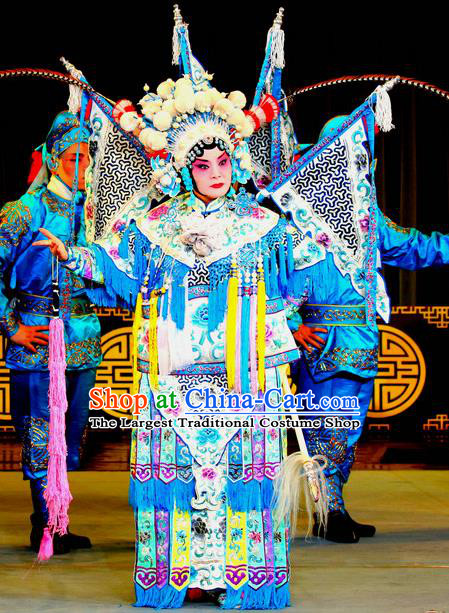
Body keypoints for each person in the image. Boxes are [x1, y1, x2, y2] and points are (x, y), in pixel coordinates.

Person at [35, 70, 326, 608]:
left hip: (247, 375)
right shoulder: (156, 223)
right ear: (184, 169)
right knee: (180, 477)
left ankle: (239, 577)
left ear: (233, 163)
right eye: (201, 164)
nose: (214, 173)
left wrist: (278, 309)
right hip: (174, 371)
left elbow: (300, 275)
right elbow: (122, 275)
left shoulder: (262, 224)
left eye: (221, 162)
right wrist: (74, 255)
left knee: (241, 475)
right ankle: (183, 576)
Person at [291, 115, 449, 543]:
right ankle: (329, 512)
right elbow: (272, 280)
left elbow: (412, 246)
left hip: (362, 341)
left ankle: (334, 507)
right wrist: (290, 326)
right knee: (326, 432)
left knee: (347, 435)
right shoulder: (296, 223)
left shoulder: (366, 220)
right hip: (323, 344)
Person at [0, 111, 102, 553]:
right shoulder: (24, 211)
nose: (82, 167)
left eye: (88, 158)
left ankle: (59, 520)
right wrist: (12, 327)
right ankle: (44, 523)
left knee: (71, 433)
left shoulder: (93, 214)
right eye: (74, 157)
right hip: (38, 337)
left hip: (81, 341)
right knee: (41, 434)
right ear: (55, 159)